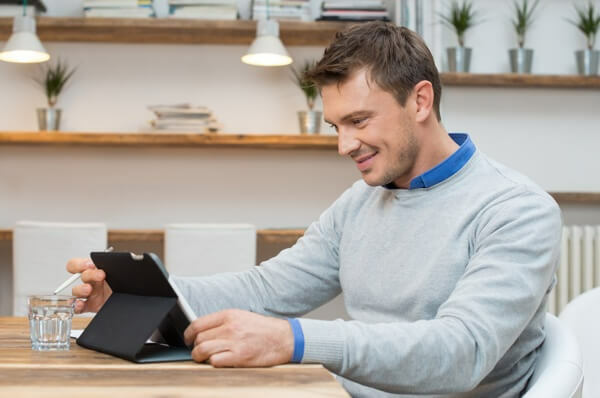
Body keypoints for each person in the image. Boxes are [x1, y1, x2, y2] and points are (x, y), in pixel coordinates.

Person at [67, 22, 562, 397]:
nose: (345, 145)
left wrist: (295, 341)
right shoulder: (362, 202)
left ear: (420, 101)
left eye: (359, 120)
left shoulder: (516, 210)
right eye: (335, 126)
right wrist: (142, 292)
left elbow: (463, 351)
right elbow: (269, 290)